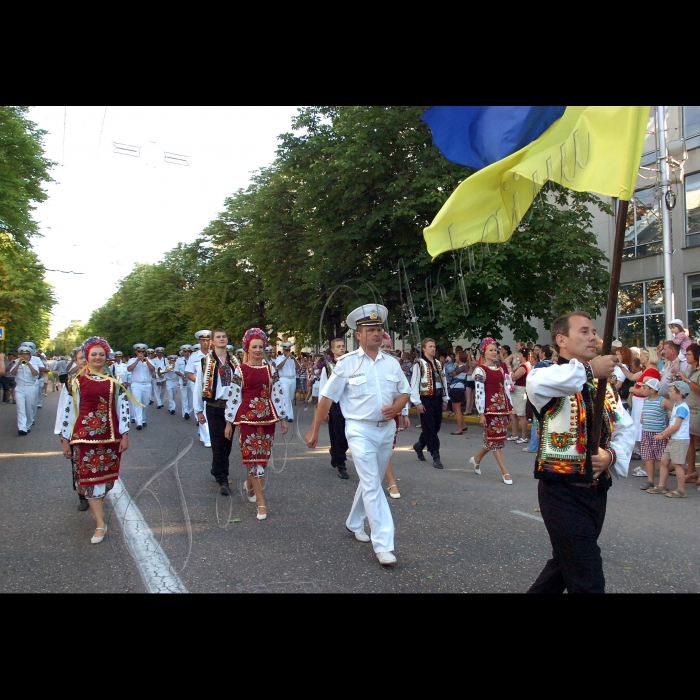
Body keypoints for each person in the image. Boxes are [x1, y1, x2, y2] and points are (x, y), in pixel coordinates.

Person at [525, 311, 634, 594]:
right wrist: (590, 370)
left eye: (594, 332)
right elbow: (542, 383)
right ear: (561, 339)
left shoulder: (605, 386)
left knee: (563, 568)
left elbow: (626, 428)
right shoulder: (545, 375)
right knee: (588, 579)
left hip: (597, 492)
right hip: (561, 492)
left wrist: (611, 456)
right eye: (584, 331)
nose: (593, 338)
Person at [305, 303, 410, 566]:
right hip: (359, 430)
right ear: (359, 335)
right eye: (370, 329)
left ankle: (354, 522)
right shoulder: (346, 364)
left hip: (386, 430)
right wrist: (315, 429)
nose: (376, 333)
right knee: (374, 483)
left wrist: (397, 407)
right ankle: (383, 543)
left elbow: (405, 391)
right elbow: (327, 398)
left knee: (369, 480)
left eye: (378, 329)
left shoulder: (392, 363)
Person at [58, 336, 130, 544]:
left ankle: (99, 513)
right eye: (94, 354)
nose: (98, 357)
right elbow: (69, 412)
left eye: (101, 354)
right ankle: (100, 524)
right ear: (87, 357)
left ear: (106, 357)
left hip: (110, 438)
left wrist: (125, 435)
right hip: (84, 438)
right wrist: (65, 440)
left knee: (105, 482)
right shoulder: (77, 382)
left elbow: (123, 410)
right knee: (90, 482)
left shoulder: (115, 382)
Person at [224, 328, 288, 516]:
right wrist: (229, 422)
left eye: (261, 347)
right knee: (253, 460)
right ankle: (262, 503)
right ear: (248, 348)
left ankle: (251, 486)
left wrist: (283, 418)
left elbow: (277, 394)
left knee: (262, 459)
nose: (258, 350)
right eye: (255, 347)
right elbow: (234, 397)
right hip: (247, 419)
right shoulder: (240, 370)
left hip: (267, 418)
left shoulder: (271, 370)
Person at [195, 329, 241, 495]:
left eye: (224, 336)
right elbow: (199, 386)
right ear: (213, 341)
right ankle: (223, 478)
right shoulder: (206, 362)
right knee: (218, 442)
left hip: (231, 407)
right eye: (218, 337)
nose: (222, 339)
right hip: (214, 406)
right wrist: (198, 410)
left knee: (227, 442)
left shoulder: (235, 361)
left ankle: (217, 469)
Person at [470, 337, 514, 484]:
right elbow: (479, 392)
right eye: (491, 350)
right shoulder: (480, 370)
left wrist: (510, 408)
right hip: (490, 410)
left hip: (502, 409)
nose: (494, 352)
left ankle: (476, 459)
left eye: (495, 350)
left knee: (494, 440)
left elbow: (506, 390)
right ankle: (505, 471)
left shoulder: (501, 369)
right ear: (484, 352)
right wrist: (481, 412)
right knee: (495, 442)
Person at [54, 348, 90, 511]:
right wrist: (64, 437)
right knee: (78, 464)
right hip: (76, 432)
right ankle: (82, 496)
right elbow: (64, 410)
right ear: (75, 361)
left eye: (86, 357)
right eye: (80, 358)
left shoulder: (102, 379)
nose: (84, 360)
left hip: (97, 430)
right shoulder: (71, 383)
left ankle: (96, 493)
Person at [647, 380, 691, 498]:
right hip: (674, 439)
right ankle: (662, 486)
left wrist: (663, 435)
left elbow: (676, 426)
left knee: (677, 464)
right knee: (665, 461)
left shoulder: (682, 408)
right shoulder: (677, 406)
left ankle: (681, 490)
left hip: (679, 439)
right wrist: (664, 433)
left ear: (679, 394)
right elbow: (672, 425)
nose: (669, 393)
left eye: (671, 391)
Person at [410, 338, 447, 469]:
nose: (433, 349)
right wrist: (417, 402)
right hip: (425, 398)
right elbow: (414, 384)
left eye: (434, 346)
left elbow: (444, 381)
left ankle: (419, 445)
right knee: (430, 427)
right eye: (430, 346)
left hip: (437, 397)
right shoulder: (419, 364)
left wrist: (445, 397)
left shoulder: (438, 363)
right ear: (424, 349)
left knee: (436, 426)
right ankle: (435, 455)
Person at [380, 331, 409, 498]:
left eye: (388, 347)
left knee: (387, 449)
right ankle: (389, 481)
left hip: (392, 414)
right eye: (383, 346)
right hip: (371, 416)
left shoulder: (395, 365)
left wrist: (404, 413)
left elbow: (402, 391)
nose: (386, 349)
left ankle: (388, 480)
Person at [318, 337, 350, 479]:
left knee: (349, 435)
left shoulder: (352, 365)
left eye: (343, 346)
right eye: (338, 346)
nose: (341, 348)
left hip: (350, 403)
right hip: (335, 404)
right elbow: (323, 389)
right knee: (337, 433)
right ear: (333, 350)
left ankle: (337, 452)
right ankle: (341, 464)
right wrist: (324, 410)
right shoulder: (328, 367)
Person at [635, 377, 669, 491]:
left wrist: (668, 429)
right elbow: (644, 411)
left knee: (660, 458)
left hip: (658, 433)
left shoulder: (663, 401)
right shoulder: (646, 400)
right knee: (649, 457)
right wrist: (642, 417)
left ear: (652, 390)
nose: (642, 389)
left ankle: (661, 483)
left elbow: (674, 411)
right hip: (646, 432)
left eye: (645, 388)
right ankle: (650, 480)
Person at [523, 344, 554, 453]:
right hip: (551, 395)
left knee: (537, 422)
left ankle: (534, 446)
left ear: (544, 353)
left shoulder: (540, 365)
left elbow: (535, 381)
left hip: (541, 395)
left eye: (540, 351)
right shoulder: (554, 365)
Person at [676, 343, 700, 483]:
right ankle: (691, 471)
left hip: (697, 409)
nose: (686, 356)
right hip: (690, 409)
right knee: (689, 440)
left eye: (689, 354)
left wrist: (687, 380)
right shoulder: (690, 369)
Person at [187, 331, 212, 447]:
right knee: (202, 410)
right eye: (203, 340)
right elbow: (189, 373)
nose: (205, 342)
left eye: (207, 340)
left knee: (210, 411)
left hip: (212, 388)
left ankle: (204, 433)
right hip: (199, 387)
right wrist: (200, 382)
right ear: (199, 341)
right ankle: (206, 438)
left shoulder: (214, 355)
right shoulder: (194, 357)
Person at [8, 346, 42, 435]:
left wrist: (28, 364)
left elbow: (35, 373)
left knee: (29, 408)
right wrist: (18, 363)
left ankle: (28, 424)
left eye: (26, 354)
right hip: (20, 387)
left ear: (29, 355)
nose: (24, 356)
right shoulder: (17, 363)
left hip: (30, 387)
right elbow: (12, 373)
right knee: (20, 408)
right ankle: (22, 428)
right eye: (22, 354)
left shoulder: (34, 363)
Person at [126, 343, 155, 429]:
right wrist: (137, 361)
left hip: (147, 384)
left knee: (145, 403)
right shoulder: (132, 360)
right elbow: (129, 369)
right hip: (136, 384)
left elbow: (153, 369)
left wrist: (146, 361)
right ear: (136, 352)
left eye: (142, 351)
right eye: (139, 351)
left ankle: (143, 419)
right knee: (137, 403)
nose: (141, 353)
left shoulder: (149, 361)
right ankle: (139, 422)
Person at [507, 347, 530, 444]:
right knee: (514, 413)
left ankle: (524, 436)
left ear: (524, 356)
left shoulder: (523, 367)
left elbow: (514, 376)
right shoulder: (524, 365)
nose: (518, 356)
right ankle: (514, 434)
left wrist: (508, 366)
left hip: (520, 391)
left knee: (521, 414)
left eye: (520, 355)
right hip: (517, 390)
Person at [276, 342, 299, 422]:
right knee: (286, 397)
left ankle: (285, 412)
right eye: (286, 350)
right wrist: (286, 358)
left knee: (290, 398)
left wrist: (295, 359)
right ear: (283, 350)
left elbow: (298, 368)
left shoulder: (292, 359)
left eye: (289, 350)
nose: (288, 351)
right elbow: (279, 366)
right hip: (283, 379)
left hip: (293, 379)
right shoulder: (279, 358)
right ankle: (290, 416)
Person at [447, 351, 469, 435]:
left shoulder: (462, 367)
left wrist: (449, 363)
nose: (455, 357)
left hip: (457, 388)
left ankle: (459, 429)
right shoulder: (458, 366)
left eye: (457, 356)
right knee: (455, 408)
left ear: (460, 357)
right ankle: (463, 426)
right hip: (454, 388)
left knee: (458, 409)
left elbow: (452, 373)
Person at [175, 344, 193, 420]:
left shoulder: (192, 359)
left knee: (191, 398)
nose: (187, 353)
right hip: (183, 380)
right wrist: (182, 375)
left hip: (191, 381)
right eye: (185, 351)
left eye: (188, 351)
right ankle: (186, 412)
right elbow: (176, 370)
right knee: (184, 397)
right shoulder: (179, 361)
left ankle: (188, 411)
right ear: (183, 352)